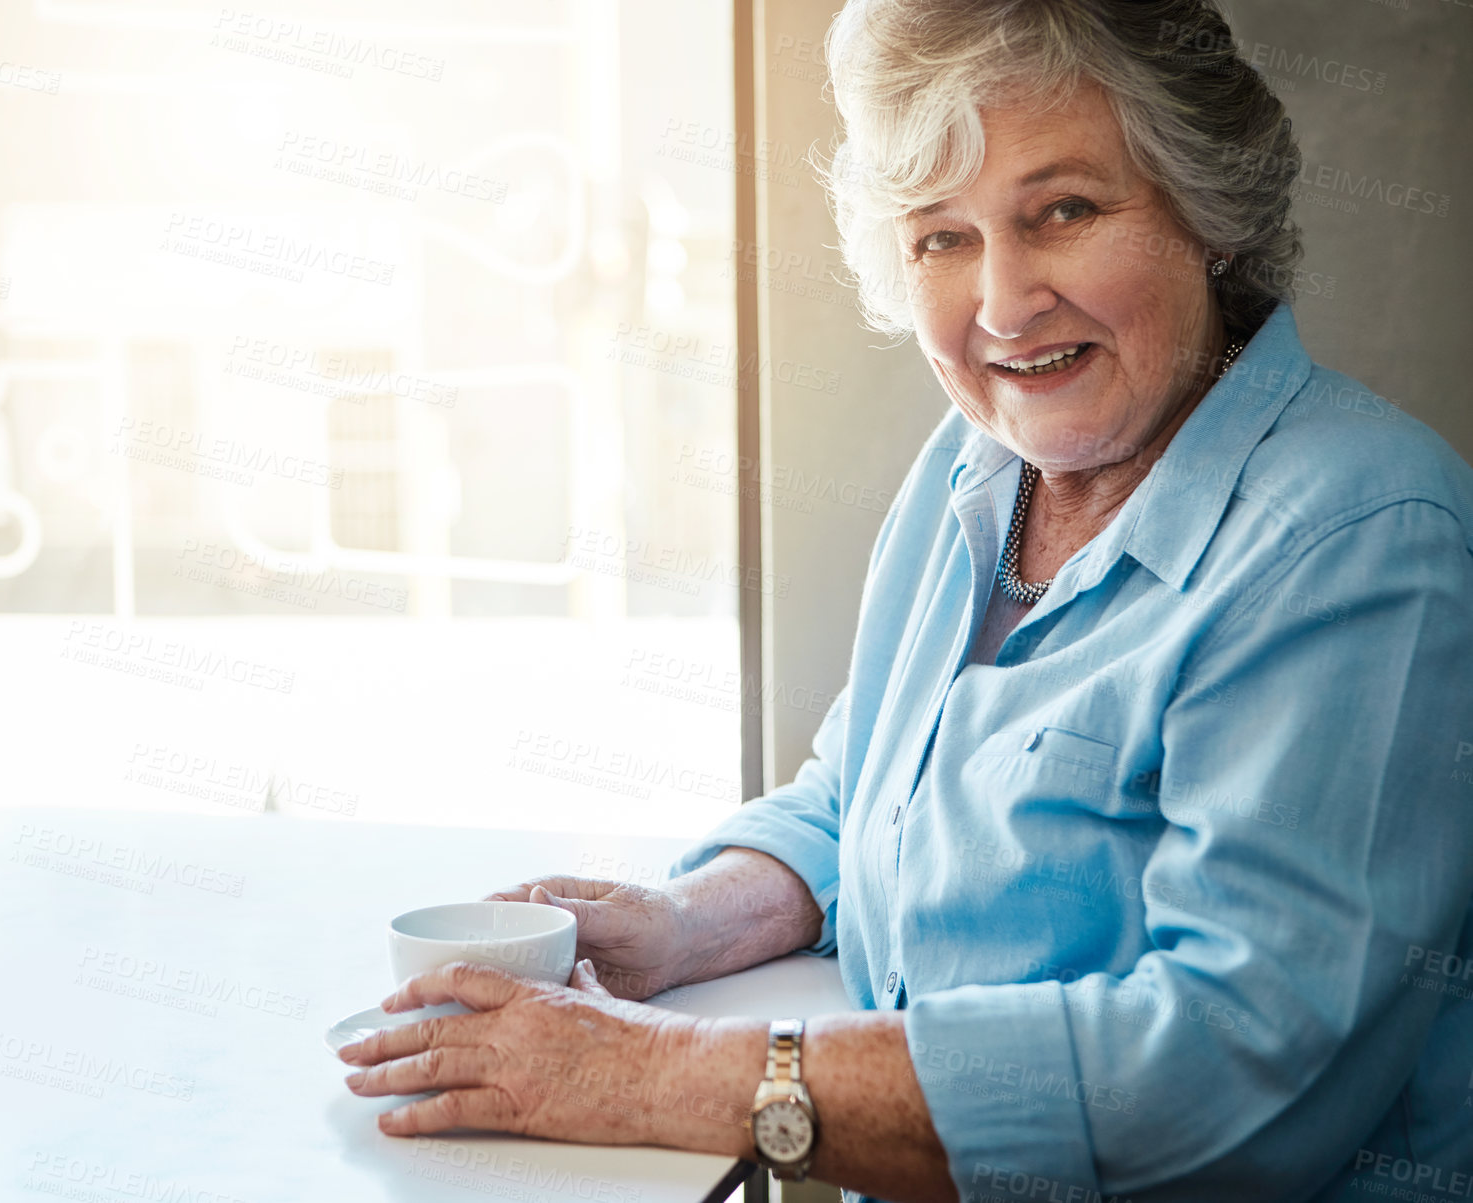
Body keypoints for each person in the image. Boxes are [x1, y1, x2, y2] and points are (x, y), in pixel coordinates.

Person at [338, 2, 1473, 1199]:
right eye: (940, 238)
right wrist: (682, 923)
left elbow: (1223, 1073)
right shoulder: (974, 465)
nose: (1001, 302)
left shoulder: (1359, 541)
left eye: (1063, 212)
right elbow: (867, 789)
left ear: (1209, 218)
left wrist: (653, 1075)